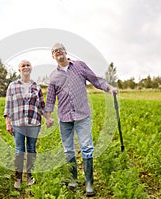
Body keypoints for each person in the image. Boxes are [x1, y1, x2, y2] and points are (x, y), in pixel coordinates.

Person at [44, 43, 118, 197]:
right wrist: (48, 116)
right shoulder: (53, 76)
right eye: (54, 51)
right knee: (68, 149)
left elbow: (96, 80)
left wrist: (109, 88)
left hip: (82, 115)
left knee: (87, 147)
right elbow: (50, 98)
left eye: (60, 50)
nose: (58, 53)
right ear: (53, 56)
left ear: (65, 52)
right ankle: (72, 179)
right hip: (65, 117)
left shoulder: (79, 66)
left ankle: (89, 182)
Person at [4, 60, 47, 189]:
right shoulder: (13, 85)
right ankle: (17, 178)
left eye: (28, 65)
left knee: (32, 149)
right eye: (23, 66)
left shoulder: (36, 86)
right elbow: (8, 105)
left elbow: (41, 105)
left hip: (34, 123)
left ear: (31, 68)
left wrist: (48, 118)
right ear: (19, 70)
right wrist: (8, 122)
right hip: (18, 122)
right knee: (19, 150)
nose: (26, 67)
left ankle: (29, 176)